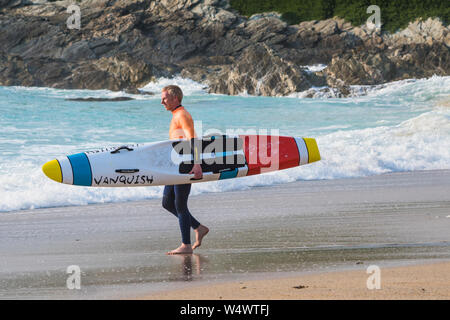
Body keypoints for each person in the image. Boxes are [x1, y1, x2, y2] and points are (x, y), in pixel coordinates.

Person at [161, 85, 209, 255]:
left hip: (186, 164)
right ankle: (198, 227)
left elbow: (193, 139)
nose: (162, 101)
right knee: (167, 202)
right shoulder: (176, 114)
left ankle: (186, 245)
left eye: (165, 98)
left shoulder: (182, 115)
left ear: (175, 98)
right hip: (177, 164)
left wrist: (197, 164)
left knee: (180, 205)